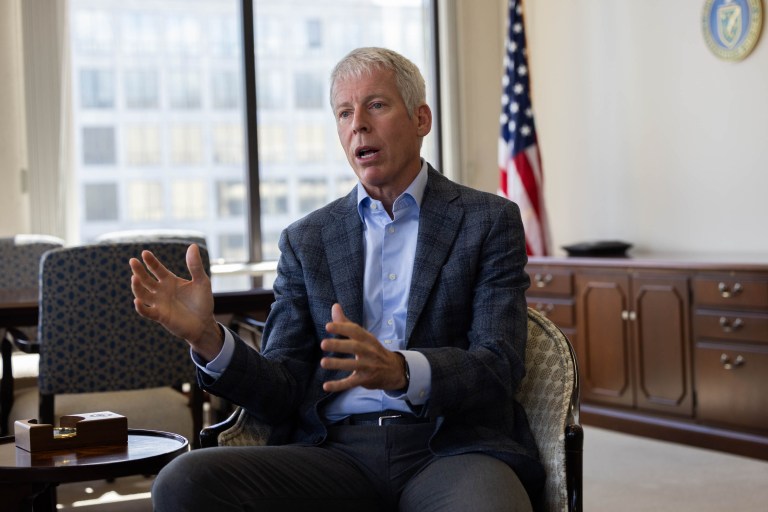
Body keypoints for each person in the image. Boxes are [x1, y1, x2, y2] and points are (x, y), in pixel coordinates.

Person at [129, 47, 544, 512]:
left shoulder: (487, 221)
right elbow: (283, 387)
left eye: (377, 105)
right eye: (344, 113)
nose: (358, 125)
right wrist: (208, 338)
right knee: (182, 483)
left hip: (450, 447)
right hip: (334, 452)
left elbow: (499, 365)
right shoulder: (308, 240)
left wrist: (403, 370)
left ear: (421, 119)